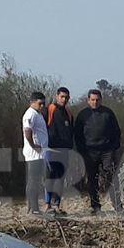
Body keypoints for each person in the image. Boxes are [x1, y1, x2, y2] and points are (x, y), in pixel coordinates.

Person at [73, 87, 124, 214]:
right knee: (92, 179)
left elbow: (116, 131)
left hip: (107, 151)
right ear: (88, 100)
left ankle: (118, 205)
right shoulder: (83, 115)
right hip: (89, 152)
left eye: (97, 100)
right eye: (92, 100)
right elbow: (77, 134)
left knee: (111, 176)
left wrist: (114, 147)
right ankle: (95, 206)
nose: (95, 102)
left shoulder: (108, 113)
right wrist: (81, 150)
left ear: (101, 100)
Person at [45, 86, 74, 215]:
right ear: (57, 96)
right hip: (51, 149)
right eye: (62, 97)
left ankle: (56, 205)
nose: (64, 99)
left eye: (66, 97)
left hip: (65, 150)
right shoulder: (50, 109)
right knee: (50, 177)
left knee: (60, 179)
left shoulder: (68, 113)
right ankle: (47, 204)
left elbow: (71, 131)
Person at [22, 91, 49, 215]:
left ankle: (33, 207)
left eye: (43, 103)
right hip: (34, 154)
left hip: (40, 153)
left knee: (37, 180)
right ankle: (33, 208)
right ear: (32, 102)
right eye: (40, 103)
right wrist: (33, 145)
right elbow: (27, 131)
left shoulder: (38, 114)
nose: (42, 106)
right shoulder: (30, 114)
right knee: (33, 180)